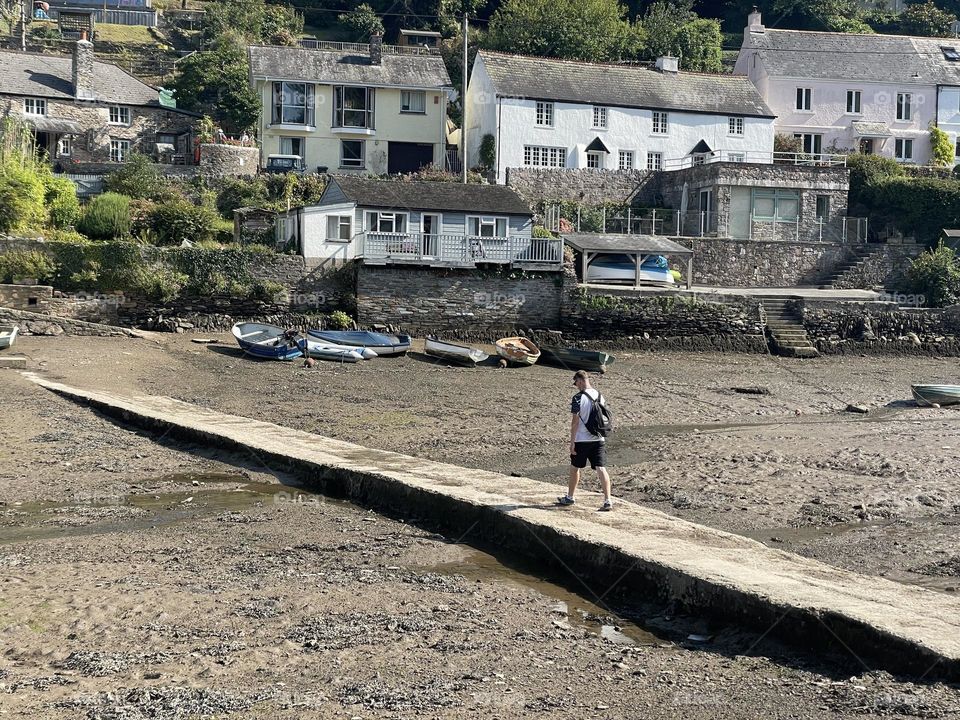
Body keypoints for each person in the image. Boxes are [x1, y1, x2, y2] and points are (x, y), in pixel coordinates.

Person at [558, 370, 613, 511]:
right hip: (599, 438)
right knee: (601, 468)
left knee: (575, 468)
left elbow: (575, 422)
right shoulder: (600, 395)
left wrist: (572, 443)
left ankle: (570, 497)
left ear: (581, 380)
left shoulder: (577, 398)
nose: (576, 386)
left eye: (576, 383)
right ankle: (608, 500)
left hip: (582, 440)